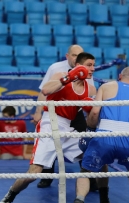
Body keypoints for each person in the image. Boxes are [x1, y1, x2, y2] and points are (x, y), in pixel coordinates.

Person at [0, 52, 97, 203]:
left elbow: (96, 112)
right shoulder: (61, 75)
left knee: (89, 154)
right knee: (34, 172)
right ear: (79, 65)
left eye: (94, 65)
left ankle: (79, 201)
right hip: (50, 123)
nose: (93, 68)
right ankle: (10, 196)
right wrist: (68, 78)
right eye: (89, 65)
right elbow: (45, 90)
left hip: (68, 128)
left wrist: (91, 108)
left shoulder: (90, 89)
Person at [67, 67, 129, 203]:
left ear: (119, 76)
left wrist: (90, 129)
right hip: (128, 137)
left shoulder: (105, 87)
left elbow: (95, 112)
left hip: (104, 136)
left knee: (86, 170)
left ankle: (79, 201)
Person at [33, 44, 97, 190]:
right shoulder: (56, 69)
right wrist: (38, 111)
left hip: (76, 110)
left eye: (79, 55)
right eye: (74, 55)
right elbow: (44, 90)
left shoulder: (87, 70)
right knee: (50, 142)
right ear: (67, 56)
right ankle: (46, 177)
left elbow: (91, 94)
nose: (76, 58)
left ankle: (90, 179)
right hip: (57, 112)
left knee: (85, 142)